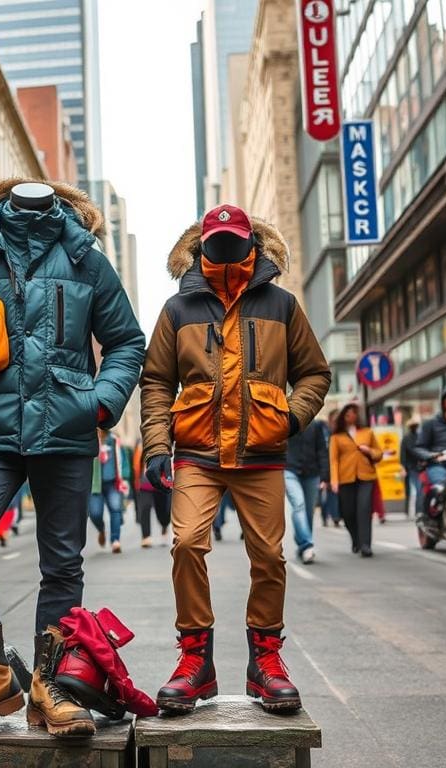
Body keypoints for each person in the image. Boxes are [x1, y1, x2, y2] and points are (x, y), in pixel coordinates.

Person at [0, 179, 145, 737]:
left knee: (62, 563)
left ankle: (48, 687)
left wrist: (100, 405)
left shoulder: (86, 260)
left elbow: (126, 342)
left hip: (68, 430)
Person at [141, 204, 330, 714]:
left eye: (233, 239)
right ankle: (195, 661)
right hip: (197, 452)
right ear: (201, 245)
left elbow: (315, 372)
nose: (224, 247)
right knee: (185, 543)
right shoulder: (177, 308)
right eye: (216, 239)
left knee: (269, 557)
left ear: (252, 243)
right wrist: (157, 445)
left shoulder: (282, 304)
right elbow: (156, 380)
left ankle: (265, 663)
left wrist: (290, 418)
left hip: (262, 452)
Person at [329, 404, 382, 557]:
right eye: (348, 413)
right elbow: (334, 460)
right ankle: (356, 539)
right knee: (348, 513)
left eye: (354, 413)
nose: (352, 416)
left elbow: (379, 454)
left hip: (366, 476)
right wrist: (334, 480)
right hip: (345, 478)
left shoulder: (368, 432)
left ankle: (366, 545)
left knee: (364, 509)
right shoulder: (336, 437)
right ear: (343, 417)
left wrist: (369, 451)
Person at [285, 419, 330, 564]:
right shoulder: (285, 422)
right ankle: (307, 545)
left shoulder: (316, 426)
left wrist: (325, 476)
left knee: (308, 511)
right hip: (289, 471)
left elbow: (322, 451)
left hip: (312, 473)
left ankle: (301, 543)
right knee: (299, 505)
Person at [88, 429, 130, 554]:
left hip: (113, 483)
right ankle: (101, 529)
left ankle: (115, 540)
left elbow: (124, 461)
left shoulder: (114, 440)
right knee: (95, 513)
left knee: (116, 509)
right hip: (95, 484)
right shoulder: (89, 439)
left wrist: (125, 479)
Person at [132, 440, 170, 548]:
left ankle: (164, 524)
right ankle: (146, 536)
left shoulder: (163, 442)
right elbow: (136, 465)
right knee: (145, 507)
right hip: (145, 483)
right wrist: (136, 481)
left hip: (160, 483)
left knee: (163, 510)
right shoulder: (140, 444)